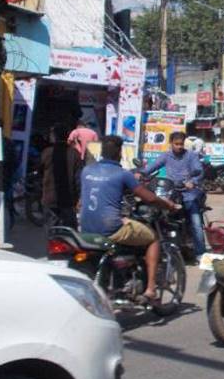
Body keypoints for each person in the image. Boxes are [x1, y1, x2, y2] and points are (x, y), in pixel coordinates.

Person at [81, 136, 181, 300]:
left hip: (86, 227)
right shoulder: (123, 174)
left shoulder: (87, 171)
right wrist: (168, 205)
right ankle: (150, 289)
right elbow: (149, 198)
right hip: (110, 228)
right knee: (152, 239)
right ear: (119, 152)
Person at [139, 131, 207, 258]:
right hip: (171, 193)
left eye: (181, 144)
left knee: (195, 222)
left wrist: (192, 181)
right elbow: (152, 167)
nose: (179, 147)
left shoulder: (191, 155)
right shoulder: (166, 156)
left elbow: (199, 171)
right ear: (171, 143)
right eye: (176, 144)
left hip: (188, 193)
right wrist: (140, 173)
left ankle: (200, 252)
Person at [39, 122, 84, 228]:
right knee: (69, 231)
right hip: (68, 200)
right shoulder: (74, 153)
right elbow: (78, 179)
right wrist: (79, 198)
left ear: (54, 135)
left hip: (49, 198)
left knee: (51, 230)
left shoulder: (47, 152)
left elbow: (39, 171)